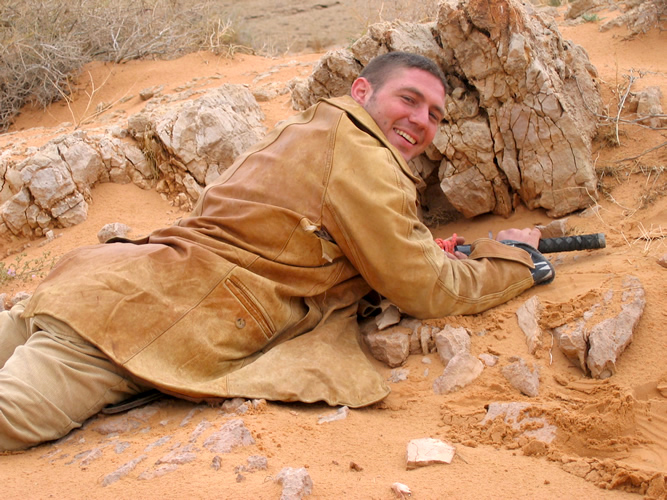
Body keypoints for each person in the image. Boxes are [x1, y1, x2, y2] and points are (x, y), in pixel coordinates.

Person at [0, 52, 553, 451]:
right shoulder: (363, 158)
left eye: (435, 114)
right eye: (409, 99)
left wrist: (398, 246)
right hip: (138, 320)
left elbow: (286, 230)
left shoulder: (313, 128)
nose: (421, 121)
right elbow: (426, 288)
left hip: (102, 283)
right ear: (363, 92)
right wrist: (513, 258)